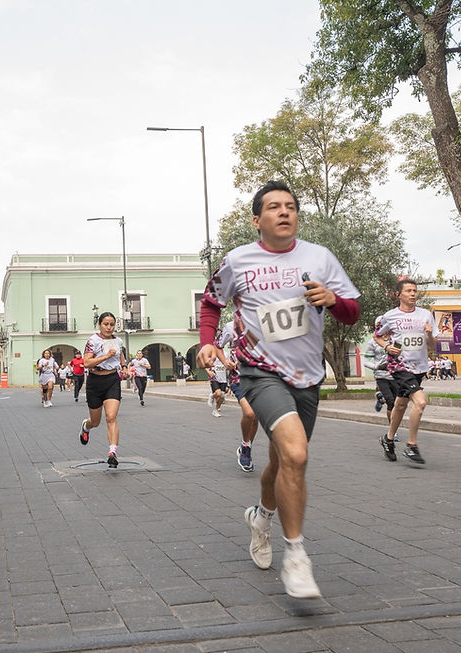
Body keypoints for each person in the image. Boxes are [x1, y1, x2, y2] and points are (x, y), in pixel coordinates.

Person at [196, 180, 360, 599]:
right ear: (258, 220)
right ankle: (297, 556)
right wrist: (208, 340)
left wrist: (332, 300)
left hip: (307, 377)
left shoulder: (319, 258)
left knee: (283, 462)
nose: (284, 212)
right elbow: (212, 301)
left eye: (290, 206)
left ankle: (261, 516)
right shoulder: (238, 260)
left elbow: (352, 313)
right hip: (260, 372)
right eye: (274, 207)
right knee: (297, 454)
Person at [375, 279, 439, 465]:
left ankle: (388, 439)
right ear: (399, 294)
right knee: (420, 402)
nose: (413, 294)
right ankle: (411, 446)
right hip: (399, 366)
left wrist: (428, 334)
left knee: (401, 404)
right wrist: (387, 346)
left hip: (419, 367)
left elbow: (433, 346)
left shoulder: (426, 315)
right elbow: (378, 336)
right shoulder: (390, 316)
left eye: (415, 291)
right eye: (409, 291)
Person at [79, 312, 128, 467]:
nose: (109, 327)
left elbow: (121, 357)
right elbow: (87, 363)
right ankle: (86, 427)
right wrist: (105, 356)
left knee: (111, 417)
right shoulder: (92, 341)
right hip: (95, 381)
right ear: (100, 324)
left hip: (112, 380)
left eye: (112, 324)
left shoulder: (118, 341)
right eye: (106, 324)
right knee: (95, 421)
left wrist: (125, 367)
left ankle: (112, 452)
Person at [218, 321, 260, 472]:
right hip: (238, 378)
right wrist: (225, 361)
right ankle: (245, 444)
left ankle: (246, 447)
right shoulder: (230, 327)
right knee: (249, 413)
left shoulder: (263, 321)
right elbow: (218, 345)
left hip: (259, 378)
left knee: (256, 418)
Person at [363, 316, 398, 427]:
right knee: (391, 402)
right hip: (381, 376)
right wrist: (377, 367)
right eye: (379, 325)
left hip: (395, 375)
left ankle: (381, 399)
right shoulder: (372, 342)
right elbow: (366, 361)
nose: (382, 328)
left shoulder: (395, 340)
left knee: (397, 403)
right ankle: (393, 430)